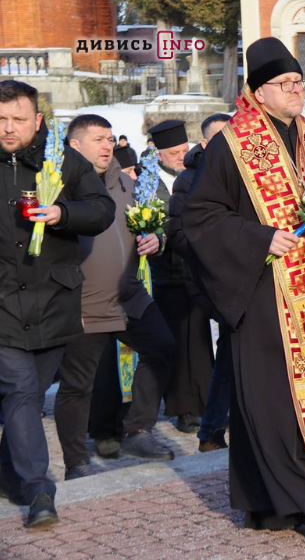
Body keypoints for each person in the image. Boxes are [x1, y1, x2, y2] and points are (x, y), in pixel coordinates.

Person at [183, 37, 305, 540]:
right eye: (285, 84)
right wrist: (262, 238)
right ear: (258, 92)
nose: (296, 91)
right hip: (263, 292)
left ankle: (274, 504)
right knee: (277, 404)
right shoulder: (233, 143)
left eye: (299, 82)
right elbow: (199, 217)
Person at [0, 80, 115, 528]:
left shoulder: (63, 162)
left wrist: (63, 214)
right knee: (22, 390)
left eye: (18, 120)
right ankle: (39, 490)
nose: (9, 128)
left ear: (38, 120)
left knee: (22, 398)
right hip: (4, 302)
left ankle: (10, 472)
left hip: (54, 300)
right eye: (2, 120)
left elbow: (101, 210)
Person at [55, 115, 176, 476]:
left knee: (163, 348)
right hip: (83, 302)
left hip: (129, 296)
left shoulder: (129, 183)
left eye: (110, 139)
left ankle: (138, 429)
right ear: (74, 146)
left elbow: (156, 225)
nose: (108, 146)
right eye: (98, 139)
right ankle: (76, 461)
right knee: (78, 385)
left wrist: (158, 239)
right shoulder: (57, 187)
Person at [166, 112, 233, 452]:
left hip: (244, 274)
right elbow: (179, 234)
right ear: (205, 143)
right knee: (233, 348)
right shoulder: (190, 179)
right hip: (211, 277)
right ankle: (212, 428)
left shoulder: (242, 172)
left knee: (234, 350)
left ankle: (213, 428)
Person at [148, 120, 215, 434]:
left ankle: (205, 402)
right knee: (176, 342)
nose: (179, 156)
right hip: (166, 273)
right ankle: (182, 408)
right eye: (173, 152)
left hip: (196, 270)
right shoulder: (148, 184)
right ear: (158, 155)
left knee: (200, 342)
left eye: (183, 150)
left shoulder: (196, 175)